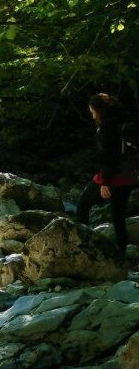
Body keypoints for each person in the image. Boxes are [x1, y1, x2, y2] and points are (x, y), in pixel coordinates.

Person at [76, 93, 137, 252]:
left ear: (97, 110)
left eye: (92, 110)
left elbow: (110, 158)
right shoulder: (123, 122)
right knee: (118, 215)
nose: (91, 114)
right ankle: (122, 251)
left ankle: (83, 245)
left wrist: (105, 183)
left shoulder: (106, 129)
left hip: (112, 177)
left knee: (82, 205)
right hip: (130, 177)